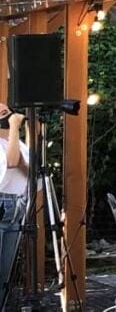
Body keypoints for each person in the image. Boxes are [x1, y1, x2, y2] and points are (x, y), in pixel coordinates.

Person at [0, 105, 28, 307]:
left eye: (7, 110)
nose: (7, 114)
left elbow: (31, 172)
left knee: (6, 273)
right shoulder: (8, 142)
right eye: (1, 113)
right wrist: (15, 126)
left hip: (17, 206)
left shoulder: (16, 142)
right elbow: (11, 162)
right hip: (2, 203)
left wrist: (32, 127)